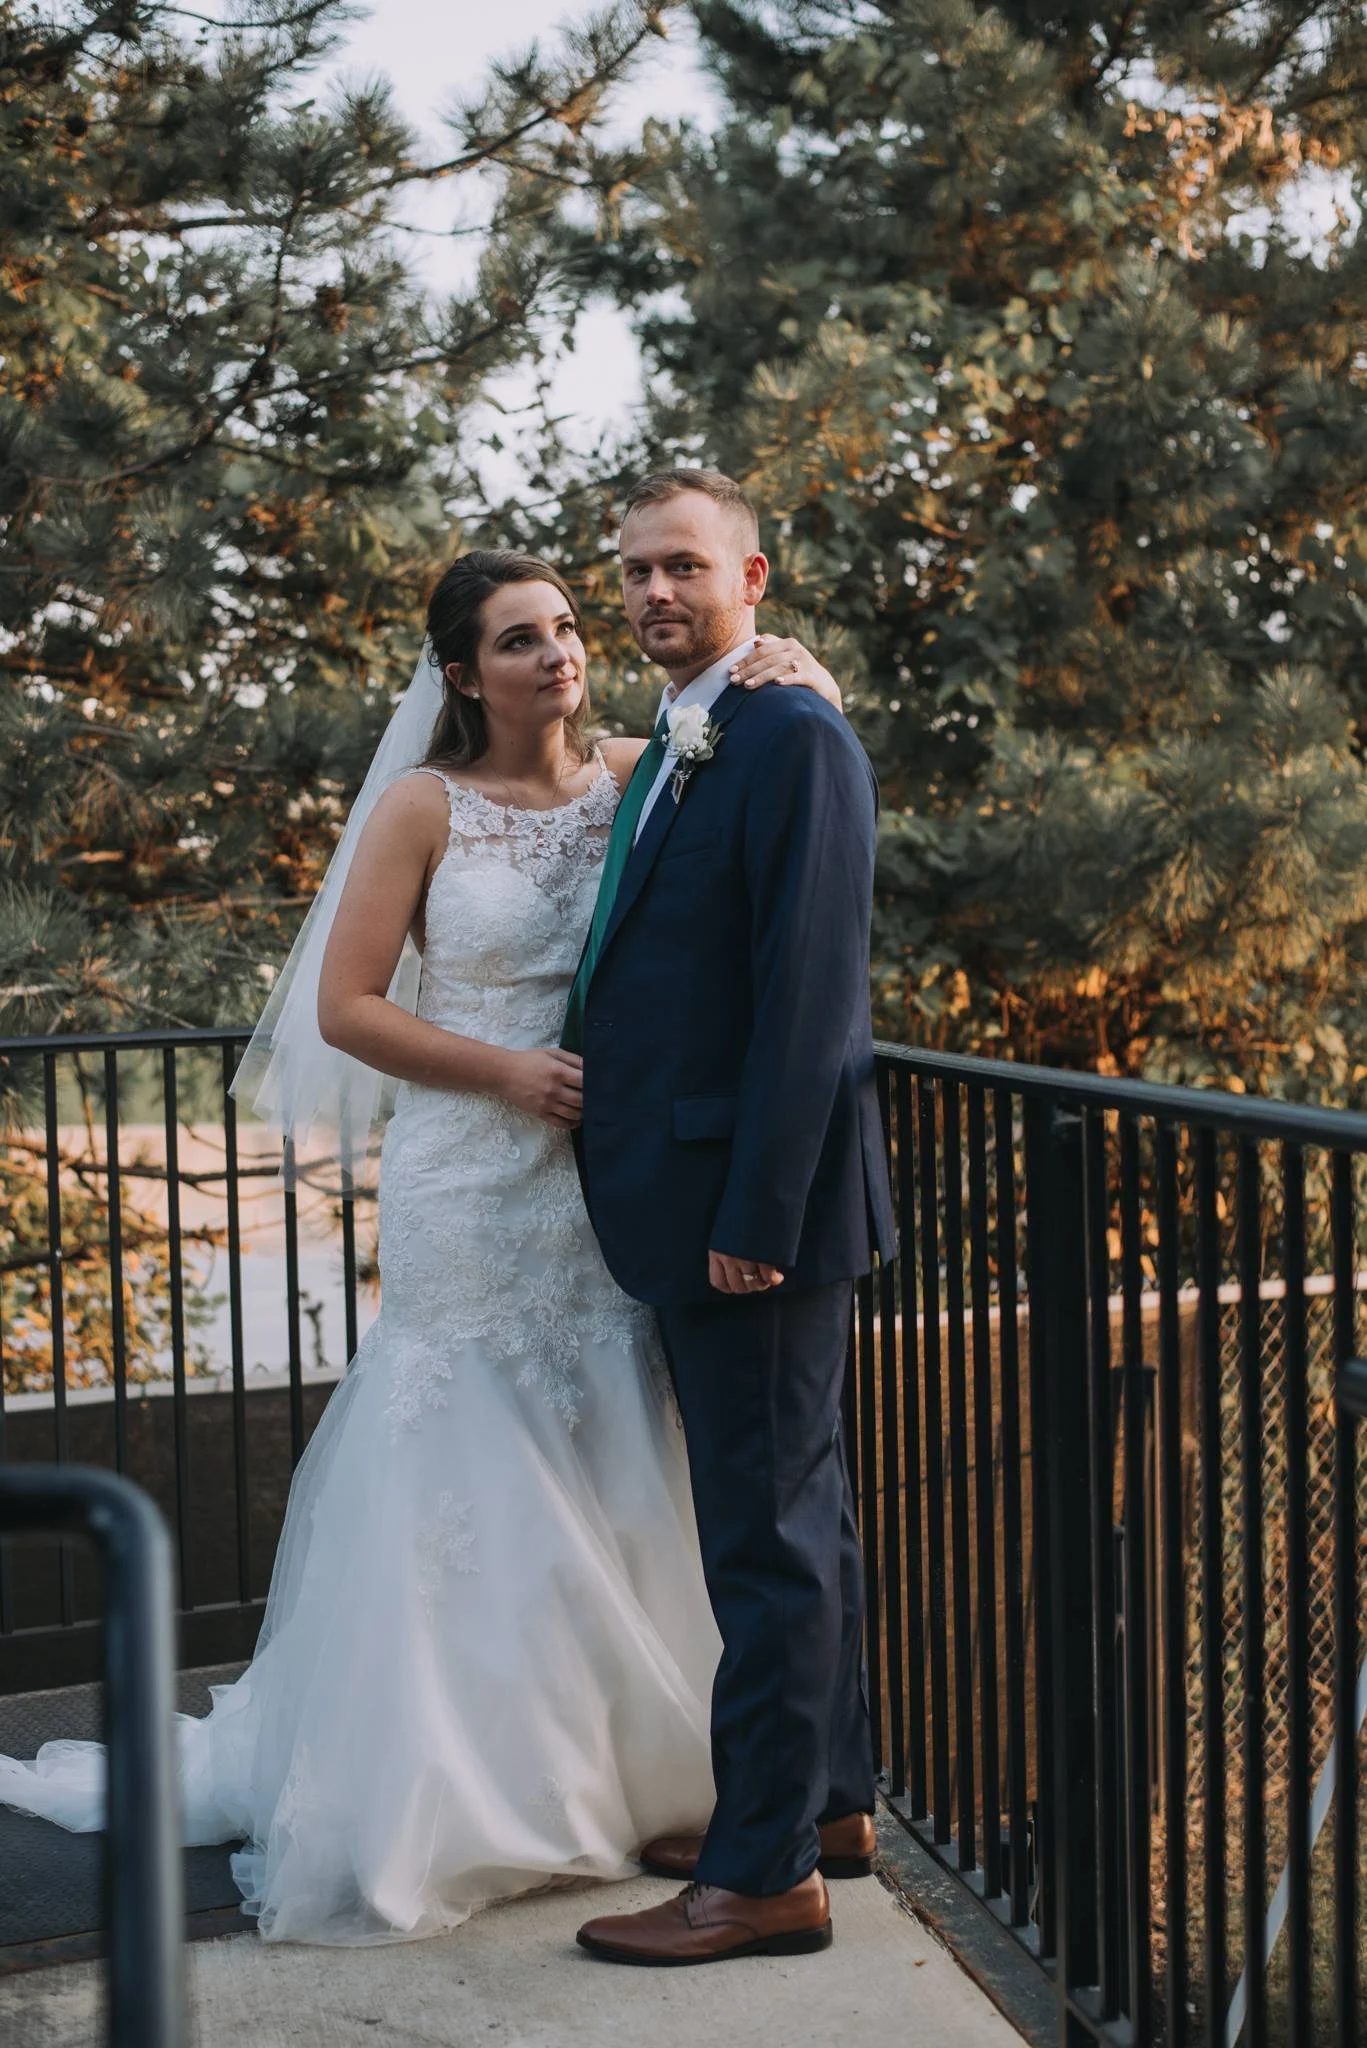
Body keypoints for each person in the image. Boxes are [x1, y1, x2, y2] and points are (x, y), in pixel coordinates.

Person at [0, 545, 846, 1946]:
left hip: (610, 1180)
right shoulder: (422, 806)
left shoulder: (650, 772)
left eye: (568, 628)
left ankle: (649, 1772)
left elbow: (762, 793)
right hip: (471, 1168)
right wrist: (504, 1074)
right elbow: (345, 1009)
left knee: (612, 1453)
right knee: (468, 1451)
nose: (560, 654)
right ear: (462, 673)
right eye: (521, 640)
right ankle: (470, 1788)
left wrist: (801, 673)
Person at [567, 470, 896, 1967]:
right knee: (798, 1519)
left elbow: (811, 1001)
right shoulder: (705, 732)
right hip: (710, 1195)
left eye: (680, 568)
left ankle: (760, 1878)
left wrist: (758, 1209)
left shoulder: (794, 736)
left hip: (748, 1209)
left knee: (763, 1541)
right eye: (632, 570)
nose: (649, 593)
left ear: (750, 577)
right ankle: (817, 1803)